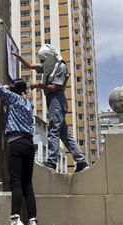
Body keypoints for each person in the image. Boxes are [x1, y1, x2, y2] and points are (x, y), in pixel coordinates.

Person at [12, 44, 88, 172]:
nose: (41, 63)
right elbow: (30, 66)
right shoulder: (48, 66)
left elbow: (55, 87)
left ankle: (52, 161)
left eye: (42, 60)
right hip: (51, 100)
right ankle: (80, 161)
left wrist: (39, 85)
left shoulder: (60, 67)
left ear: (49, 58)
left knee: (54, 130)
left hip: (57, 99)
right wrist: (18, 56)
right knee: (64, 134)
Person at [0, 80, 38, 225]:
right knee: (27, 184)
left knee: (16, 181)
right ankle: (32, 219)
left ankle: (15, 218)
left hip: (16, 142)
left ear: (13, 89)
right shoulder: (29, 104)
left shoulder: (13, 97)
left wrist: (6, 87)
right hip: (29, 144)